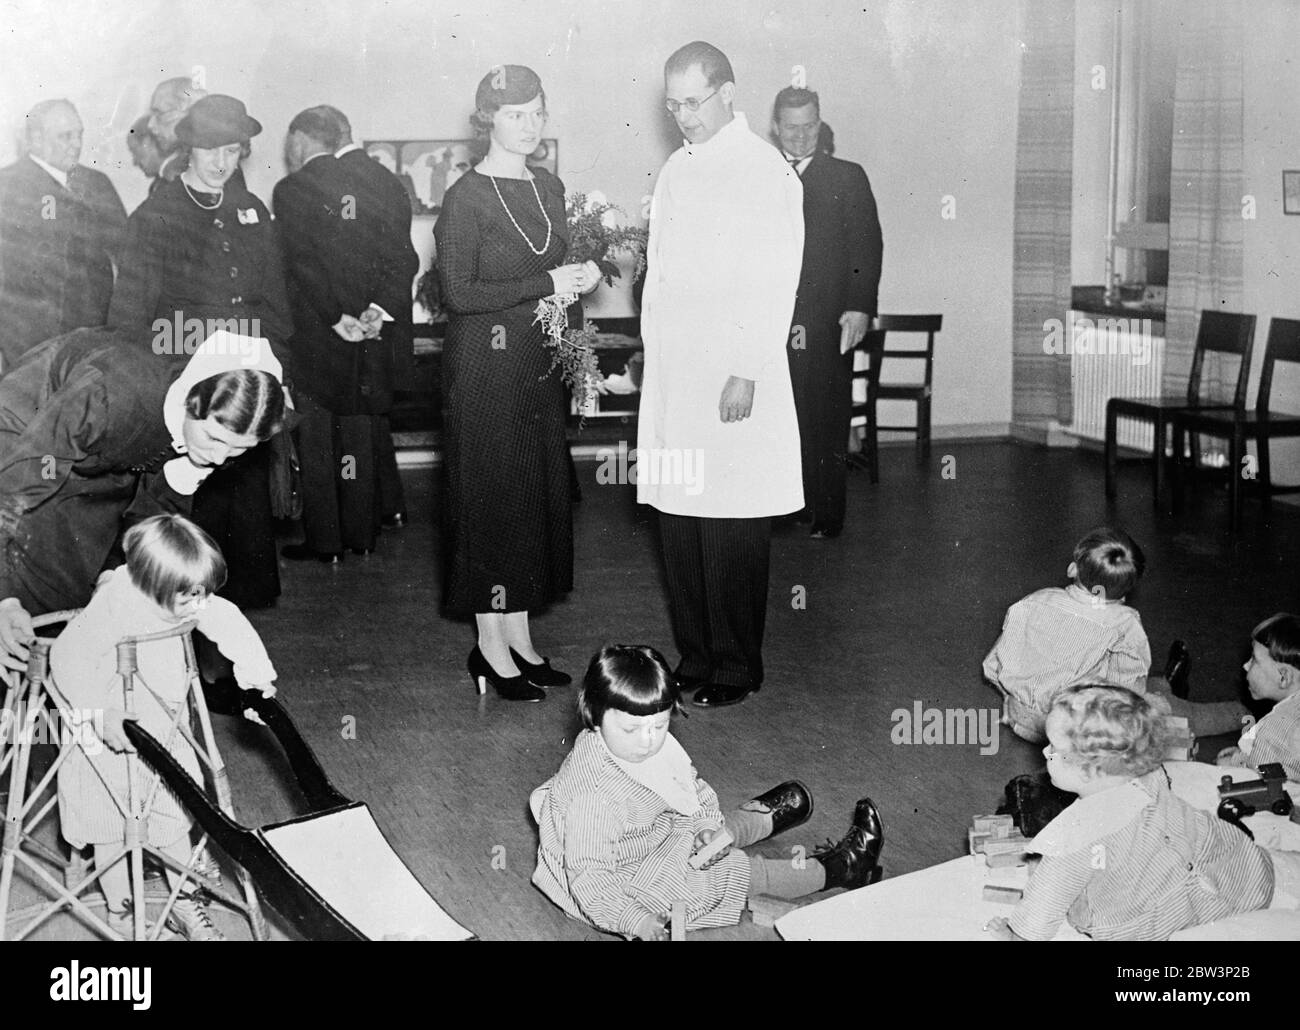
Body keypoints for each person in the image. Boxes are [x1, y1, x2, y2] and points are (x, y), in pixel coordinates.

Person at [638, 41, 804, 708]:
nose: (682, 115)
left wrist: (745, 368)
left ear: (728, 93)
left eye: (693, 101)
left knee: (730, 521)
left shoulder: (764, 170)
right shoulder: (676, 169)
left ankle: (735, 664)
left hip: (735, 373)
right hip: (677, 375)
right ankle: (696, 655)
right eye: (672, 103)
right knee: (681, 520)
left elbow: (774, 280)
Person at [434, 65, 598, 702]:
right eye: (514, 115)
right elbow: (458, 291)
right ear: (488, 122)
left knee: (532, 498)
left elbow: (560, 276)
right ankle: (489, 647)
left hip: (537, 368)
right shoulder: (466, 197)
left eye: (537, 113)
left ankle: (521, 637)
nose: (529, 126)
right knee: (491, 499)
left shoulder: (549, 187)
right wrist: (548, 283)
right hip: (482, 370)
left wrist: (579, 355)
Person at [530, 644, 884, 939]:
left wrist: (704, 827)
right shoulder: (595, 798)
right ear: (593, 713)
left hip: (648, 835)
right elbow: (590, 876)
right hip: (621, 885)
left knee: (702, 829)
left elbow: (691, 789)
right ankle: (841, 869)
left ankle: (752, 823)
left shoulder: (634, 741)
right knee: (730, 872)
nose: (649, 740)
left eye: (660, 723)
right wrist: (634, 919)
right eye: (632, 729)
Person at [0, 327, 286, 673]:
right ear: (190, 402)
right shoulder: (109, 392)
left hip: (97, 453)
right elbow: (16, 489)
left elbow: (154, 514)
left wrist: (116, 574)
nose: (219, 457)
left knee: (90, 587)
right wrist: (4, 597)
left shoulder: (207, 437)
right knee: (30, 586)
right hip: (26, 438)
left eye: (239, 449)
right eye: (214, 438)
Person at [53, 514, 277, 940]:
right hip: (102, 741)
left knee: (173, 820)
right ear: (151, 585)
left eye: (204, 594)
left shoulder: (186, 596)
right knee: (109, 835)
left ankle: (183, 901)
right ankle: (120, 911)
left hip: (164, 731)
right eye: (190, 598)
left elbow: (228, 620)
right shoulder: (114, 605)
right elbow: (67, 657)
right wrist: (101, 713)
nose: (200, 606)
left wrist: (255, 676)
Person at [109, 94, 291, 611]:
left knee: (245, 533)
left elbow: (275, 299)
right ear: (187, 148)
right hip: (187, 390)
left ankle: (234, 665)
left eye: (233, 150)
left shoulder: (251, 209)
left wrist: (277, 373)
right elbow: (131, 315)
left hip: (246, 389)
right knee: (191, 534)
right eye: (211, 150)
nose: (222, 162)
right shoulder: (156, 214)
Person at [986, 685, 1288, 941]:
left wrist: (1017, 934)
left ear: (1091, 770)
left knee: (1072, 893)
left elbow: (1042, 909)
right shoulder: (1150, 776)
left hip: (1149, 922)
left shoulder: (1073, 837)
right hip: (1235, 873)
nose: (1044, 753)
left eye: (1054, 747)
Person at [982, 526, 1247, 743]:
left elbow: (995, 664)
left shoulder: (1035, 601)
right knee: (1161, 707)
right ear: (1127, 590)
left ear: (1073, 569)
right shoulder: (1124, 622)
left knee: (1143, 686)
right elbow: (1129, 686)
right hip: (1076, 729)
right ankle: (1239, 713)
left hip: (1021, 719)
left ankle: (1169, 683)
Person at [773, 86, 882, 538]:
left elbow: (867, 247)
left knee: (825, 414)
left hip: (825, 321)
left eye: (808, 127)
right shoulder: (759, 174)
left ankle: (827, 513)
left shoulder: (847, 177)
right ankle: (788, 506)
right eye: (791, 127)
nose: (800, 137)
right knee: (780, 415)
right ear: (777, 127)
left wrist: (859, 308)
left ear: (820, 126)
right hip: (770, 319)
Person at [0, 99, 127, 371]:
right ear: (35, 139)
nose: (76, 144)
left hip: (93, 333)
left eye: (79, 134)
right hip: (29, 340)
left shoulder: (97, 183)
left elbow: (126, 251)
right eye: (65, 136)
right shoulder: (7, 186)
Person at [1216, 614, 1300, 781]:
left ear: (1284, 678)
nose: (1246, 666)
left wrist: (1233, 762)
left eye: (1254, 660)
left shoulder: (1273, 729)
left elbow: (1258, 776)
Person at [146, 76, 207, 184]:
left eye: (160, 113)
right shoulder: (172, 167)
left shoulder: (211, 170)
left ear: (189, 115)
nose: (151, 125)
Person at [126, 115, 164, 194]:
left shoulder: (172, 183)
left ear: (148, 142)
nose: (134, 162)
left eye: (135, 151)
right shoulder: (156, 186)